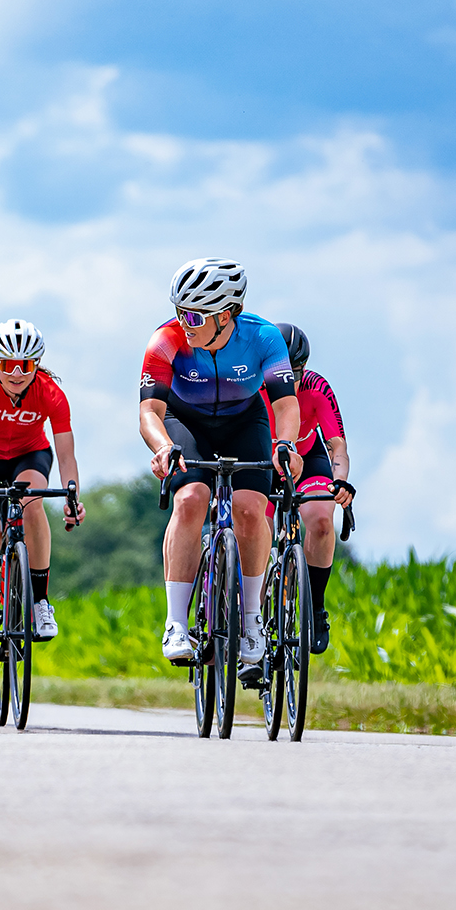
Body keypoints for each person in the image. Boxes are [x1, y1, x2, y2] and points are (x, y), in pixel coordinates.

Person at [137, 258, 299, 671]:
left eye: (193, 315)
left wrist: (285, 445)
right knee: (191, 498)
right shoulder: (166, 340)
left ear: (225, 315)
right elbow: (150, 411)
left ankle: (251, 621)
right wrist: (163, 447)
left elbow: (285, 405)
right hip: (185, 420)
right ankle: (176, 623)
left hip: (244, 421)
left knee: (250, 509)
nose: (184, 323)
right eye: (179, 311)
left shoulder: (263, 338)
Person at [0, 319, 86, 682]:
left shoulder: (50, 393)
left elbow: (66, 454)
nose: (16, 373)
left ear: (36, 364)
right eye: (8, 364)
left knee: (33, 501)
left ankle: (40, 601)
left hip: (29, 456)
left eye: (25, 365)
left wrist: (72, 494)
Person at [271, 323, 355, 654]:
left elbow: (337, 446)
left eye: (294, 374)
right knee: (255, 525)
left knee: (321, 520)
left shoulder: (316, 387)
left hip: (307, 457)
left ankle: (316, 607)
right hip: (262, 460)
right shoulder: (249, 385)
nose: (287, 382)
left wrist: (340, 480)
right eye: (278, 374)